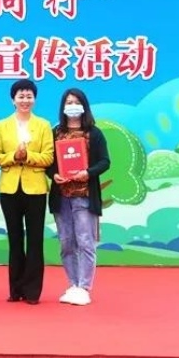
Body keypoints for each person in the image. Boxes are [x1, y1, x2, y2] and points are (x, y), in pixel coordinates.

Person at [0, 79, 54, 305]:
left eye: (29, 96)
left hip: (35, 188)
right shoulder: (2, 125)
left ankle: (33, 291)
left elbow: (48, 157)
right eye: (21, 96)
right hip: (9, 188)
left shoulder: (44, 125)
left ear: (34, 99)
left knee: (35, 240)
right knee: (15, 239)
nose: (25, 100)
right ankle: (15, 290)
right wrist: (13, 157)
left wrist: (27, 156)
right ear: (13, 100)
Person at [47, 88, 110, 306]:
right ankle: (73, 284)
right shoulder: (56, 132)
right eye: (68, 102)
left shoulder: (94, 133)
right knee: (66, 243)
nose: (72, 106)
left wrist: (87, 173)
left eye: (76, 102)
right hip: (62, 196)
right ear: (63, 107)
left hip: (84, 195)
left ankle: (84, 287)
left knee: (85, 242)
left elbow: (104, 162)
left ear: (84, 105)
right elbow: (49, 162)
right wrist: (53, 175)